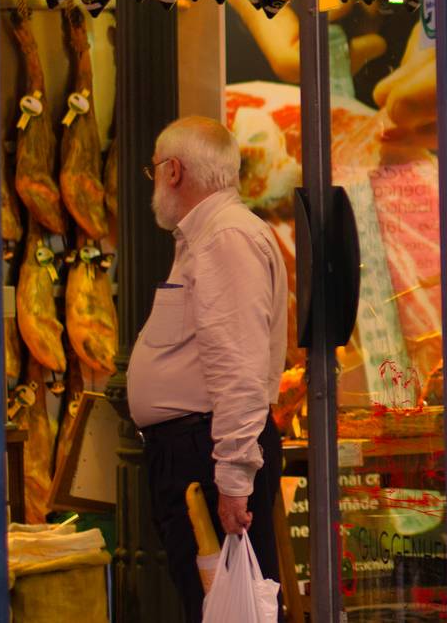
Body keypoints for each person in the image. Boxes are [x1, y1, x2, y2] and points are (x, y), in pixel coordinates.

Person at [127, 116, 288, 620]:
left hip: (204, 455)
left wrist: (234, 479)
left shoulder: (225, 239)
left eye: (153, 169)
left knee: (228, 610)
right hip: (198, 452)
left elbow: (239, 370)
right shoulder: (208, 237)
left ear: (172, 171)